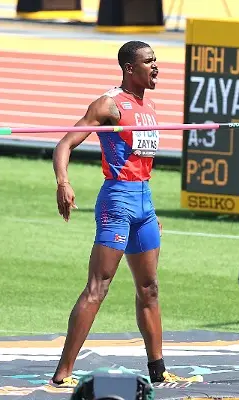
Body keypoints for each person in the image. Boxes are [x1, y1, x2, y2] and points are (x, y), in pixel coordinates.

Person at [47, 40, 202, 388]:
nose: (156, 66)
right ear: (130, 68)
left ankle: (158, 370)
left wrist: (149, 208)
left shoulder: (149, 107)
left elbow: (142, 165)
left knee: (149, 289)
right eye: (149, 62)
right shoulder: (108, 105)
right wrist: (63, 183)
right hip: (117, 201)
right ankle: (63, 373)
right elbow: (64, 144)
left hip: (144, 204)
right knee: (97, 288)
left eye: (156, 60)